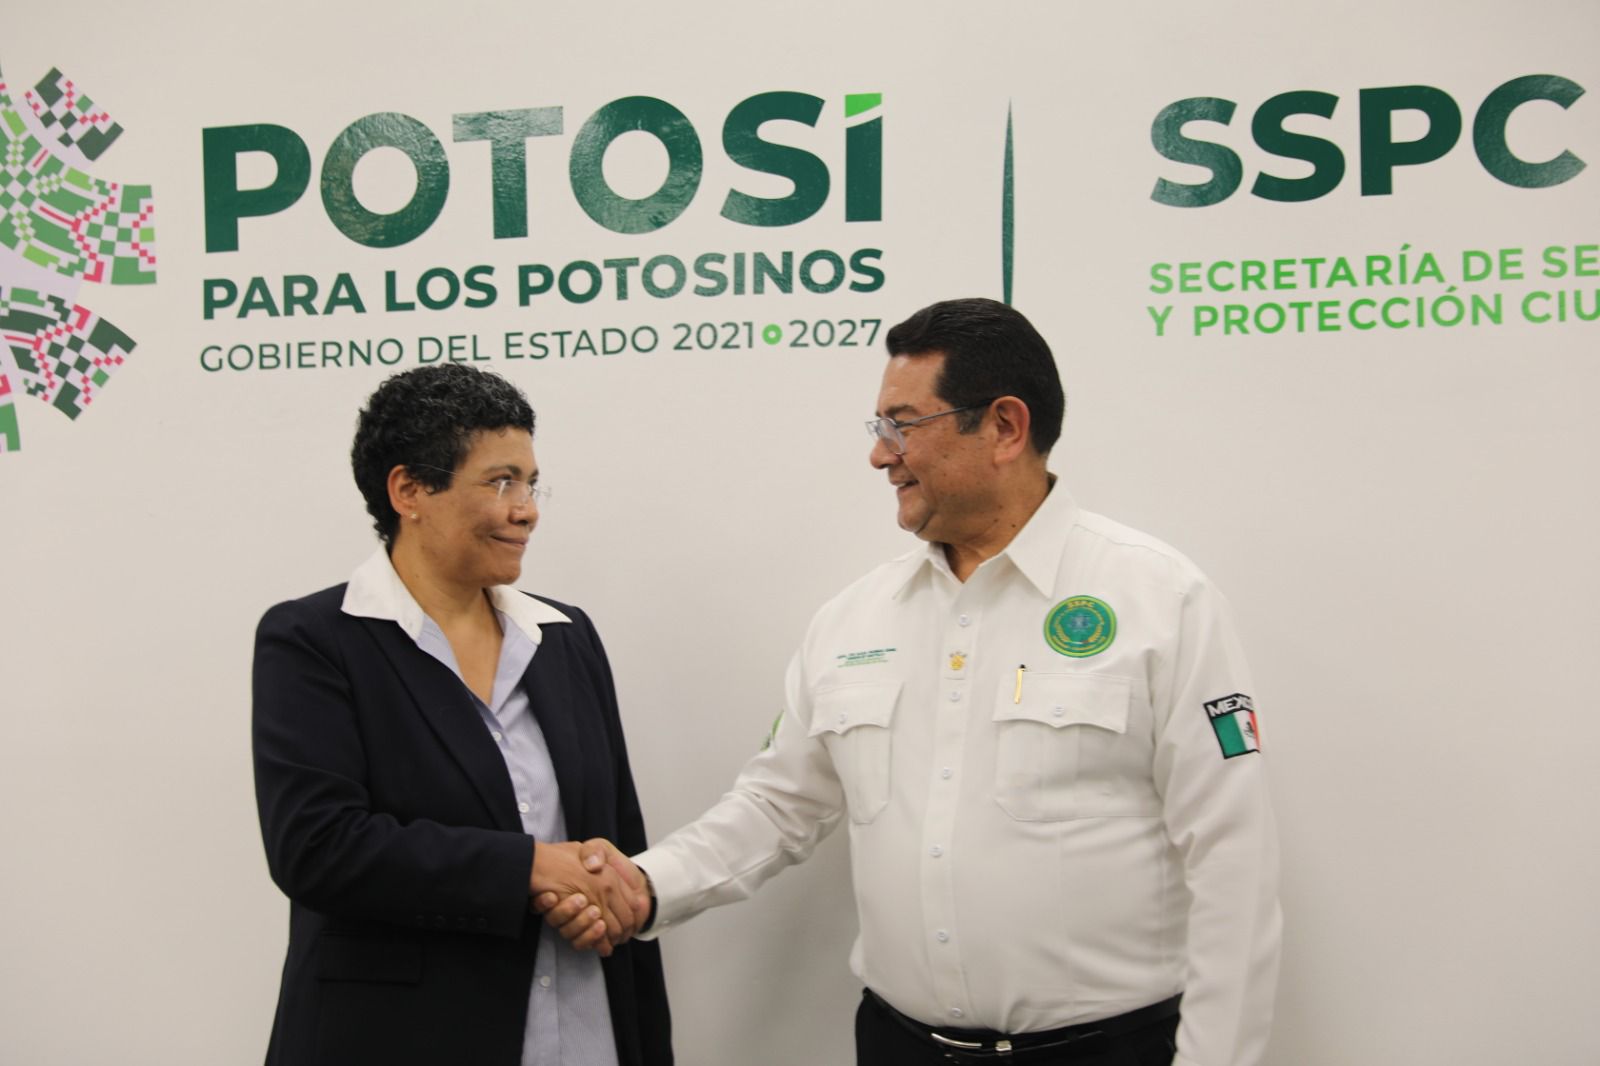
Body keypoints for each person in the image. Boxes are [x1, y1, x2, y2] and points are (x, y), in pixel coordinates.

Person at [543, 298, 1279, 1065]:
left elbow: (1233, 858)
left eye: (902, 425)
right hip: (901, 1046)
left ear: (1005, 427)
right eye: (879, 427)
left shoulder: (1160, 600)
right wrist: (645, 885)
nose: (879, 455)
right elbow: (777, 805)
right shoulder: (855, 619)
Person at [252, 364, 671, 1066]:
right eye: (501, 482)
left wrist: (606, 895)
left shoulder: (565, 637)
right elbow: (318, 848)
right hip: (403, 1037)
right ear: (409, 491)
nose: (527, 510)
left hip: (584, 1029)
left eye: (531, 484)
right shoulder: (315, 640)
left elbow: (616, 836)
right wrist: (532, 868)